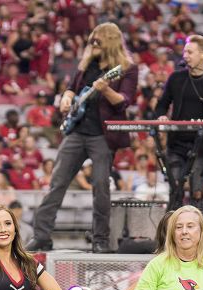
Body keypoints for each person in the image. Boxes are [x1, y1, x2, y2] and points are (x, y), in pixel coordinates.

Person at [28, 23, 137, 252]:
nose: (93, 45)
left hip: (102, 135)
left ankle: (100, 239)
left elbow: (124, 101)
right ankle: (42, 235)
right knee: (56, 183)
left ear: (110, 42)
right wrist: (67, 98)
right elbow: (71, 87)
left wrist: (105, 89)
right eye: (92, 41)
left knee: (100, 187)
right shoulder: (86, 64)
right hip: (77, 131)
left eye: (97, 41)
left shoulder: (126, 68)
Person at [154, 35, 203, 212]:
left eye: (190, 52)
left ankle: (198, 236)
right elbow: (161, 105)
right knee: (175, 191)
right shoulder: (176, 78)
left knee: (197, 192)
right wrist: (161, 117)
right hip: (176, 143)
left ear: (202, 54)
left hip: (201, 145)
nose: (185, 56)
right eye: (184, 52)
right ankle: (171, 234)